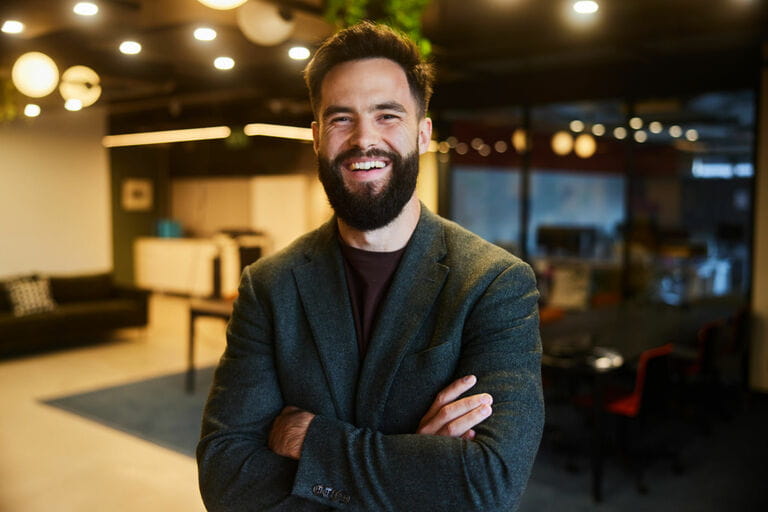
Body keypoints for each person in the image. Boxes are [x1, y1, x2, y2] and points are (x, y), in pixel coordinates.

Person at [197, 21, 543, 512]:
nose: (364, 139)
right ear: (317, 137)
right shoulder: (269, 285)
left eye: (387, 115)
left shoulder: (494, 283)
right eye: (342, 119)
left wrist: (309, 438)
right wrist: (416, 467)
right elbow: (225, 477)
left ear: (422, 134)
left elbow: (489, 484)